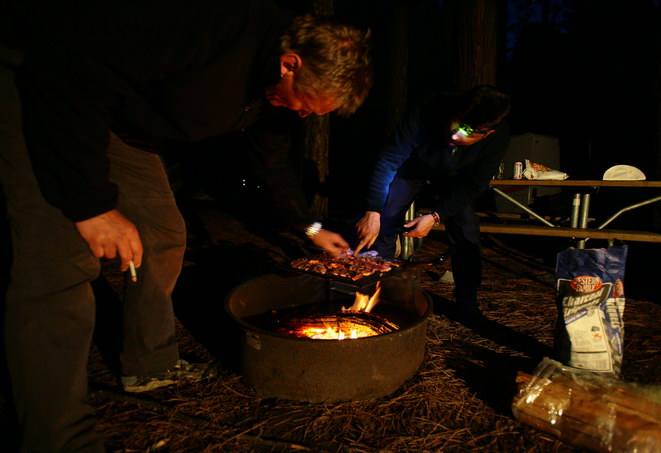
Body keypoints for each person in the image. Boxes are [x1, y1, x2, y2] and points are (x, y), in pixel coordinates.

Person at [0, 0, 372, 451]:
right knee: (60, 261)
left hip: (123, 124)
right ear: (289, 64)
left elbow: (272, 163)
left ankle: (149, 363)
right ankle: (59, 437)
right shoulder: (210, 20)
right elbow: (74, 64)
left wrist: (310, 227)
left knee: (163, 234)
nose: (305, 116)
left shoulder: (270, 95)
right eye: (307, 106)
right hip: (52, 95)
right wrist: (92, 207)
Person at [354, 85, 510, 319]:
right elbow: (389, 159)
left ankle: (467, 300)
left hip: (457, 177)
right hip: (413, 165)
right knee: (386, 216)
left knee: (467, 231)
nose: (455, 134)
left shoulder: (497, 139)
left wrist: (435, 216)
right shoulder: (428, 109)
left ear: (487, 133)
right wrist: (373, 208)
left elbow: (474, 185)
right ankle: (376, 289)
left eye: (468, 132)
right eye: (457, 123)